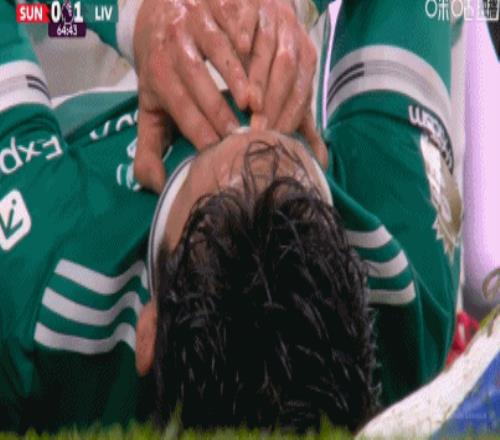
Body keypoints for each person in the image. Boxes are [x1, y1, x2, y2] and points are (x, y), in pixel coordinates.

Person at [0, 0, 462, 435]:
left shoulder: (36, 307)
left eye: (217, 213)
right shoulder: (402, 282)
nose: (247, 128)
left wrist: (131, 18)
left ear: (149, 333)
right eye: (301, 209)